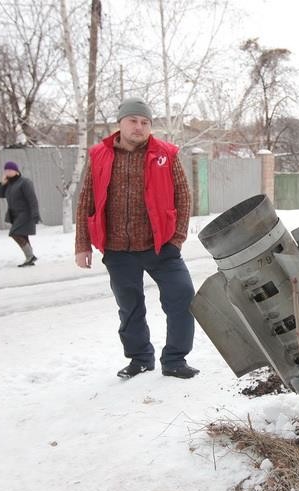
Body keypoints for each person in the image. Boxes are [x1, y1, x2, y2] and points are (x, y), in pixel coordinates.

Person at [74, 97, 198, 380]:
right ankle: (140, 359)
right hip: (117, 248)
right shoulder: (99, 155)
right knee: (130, 307)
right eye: (133, 121)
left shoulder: (166, 154)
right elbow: (86, 200)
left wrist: (176, 238)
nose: (139, 127)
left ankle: (175, 359)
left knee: (182, 296)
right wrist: (82, 245)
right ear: (120, 123)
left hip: (160, 245)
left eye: (145, 122)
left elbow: (183, 196)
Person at [0, 161, 40, 267]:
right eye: (6, 170)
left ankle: (30, 256)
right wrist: (2, 184)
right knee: (23, 235)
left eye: (10, 170)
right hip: (14, 214)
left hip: (25, 213)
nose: (8, 172)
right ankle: (30, 258)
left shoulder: (25, 182)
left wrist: (35, 213)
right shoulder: (9, 184)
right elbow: (0, 195)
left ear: (16, 171)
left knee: (15, 233)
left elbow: (32, 199)